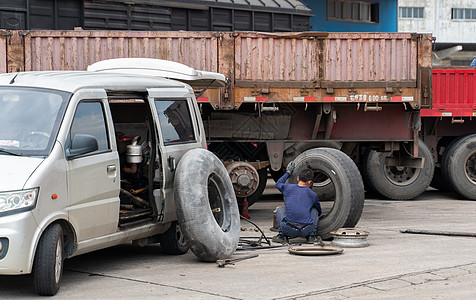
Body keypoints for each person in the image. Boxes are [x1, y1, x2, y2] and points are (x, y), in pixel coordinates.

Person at [273, 162, 322, 244]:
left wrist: (288, 173)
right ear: (310, 182)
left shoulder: (288, 187)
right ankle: (311, 237)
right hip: (306, 230)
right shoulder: (312, 194)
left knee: (280, 209)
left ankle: (282, 236)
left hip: (288, 229)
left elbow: (278, 183)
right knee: (314, 210)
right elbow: (319, 211)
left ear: (298, 178)